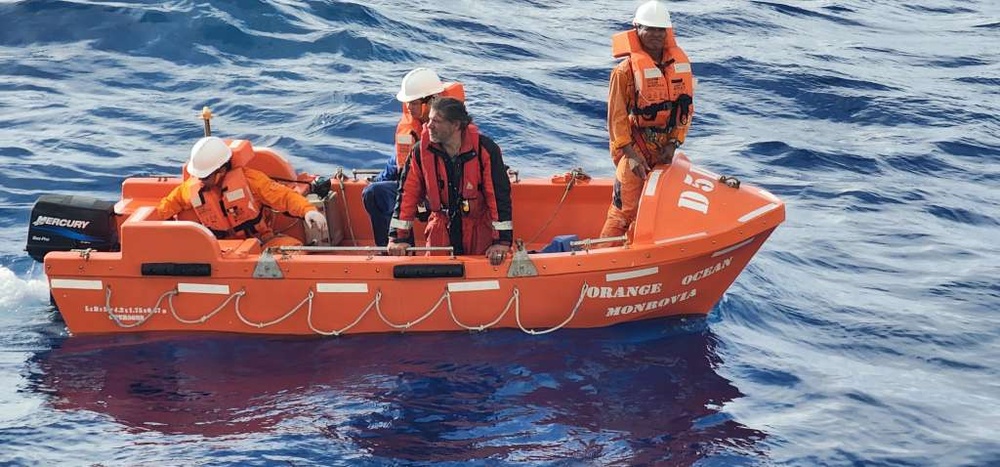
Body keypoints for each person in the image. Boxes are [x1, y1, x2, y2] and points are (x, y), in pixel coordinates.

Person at [600, 0, 695, 240]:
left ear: (668, 32)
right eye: (649, 29)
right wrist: (631, 156)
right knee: (624, 212)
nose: (655, 34)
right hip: (635, 149)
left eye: (660, 29)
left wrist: (673, 144)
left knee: (658, 210)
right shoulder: (623, 72)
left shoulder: (679, 67)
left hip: (665, 151)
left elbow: (686, 109)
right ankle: (602, 257)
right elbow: (616, 119)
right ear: (636, 29)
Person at [387, 97, 513, 266]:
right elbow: (407, 194)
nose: (428, 125)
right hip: (440, 227)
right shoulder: (420, 152)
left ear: (456, 125)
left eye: (436, 121)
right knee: (435, 277)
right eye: (429, 119)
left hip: (477, 228)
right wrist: (397, 237)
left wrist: (501, 243)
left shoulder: (485, 150)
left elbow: (498, 197)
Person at [156, 136, 327, 249]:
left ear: (221, 170)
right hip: (219, 250)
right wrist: (160, 227)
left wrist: (308, 211)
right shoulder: (193, 187)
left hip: (261, 243)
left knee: (292, 254)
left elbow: (284, 197)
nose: (200, 180)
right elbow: (169, 204)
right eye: (198, 175)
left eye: (205, 176)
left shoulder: (252, 181)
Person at [362, 68, 465, 246]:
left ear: (432, 101)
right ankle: (397, 251)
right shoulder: (411, 130)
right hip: (416, 190)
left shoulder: (453, 128)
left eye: (414, 102)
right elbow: (399, 163)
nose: (409, 107)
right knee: (374, 193)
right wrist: (377, 180)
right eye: (408, 102)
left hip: (449, 195)